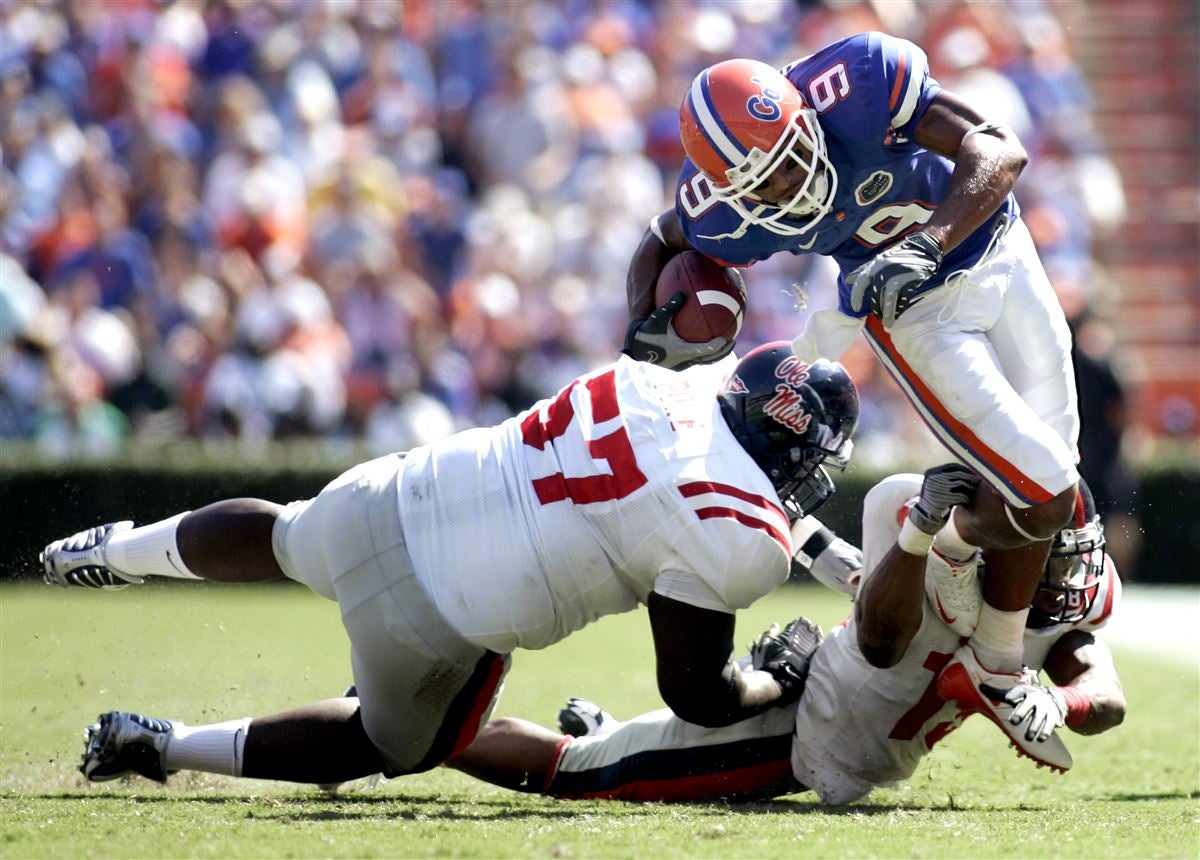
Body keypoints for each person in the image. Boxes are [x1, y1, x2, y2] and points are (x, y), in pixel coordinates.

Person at [42, 342, 861, 786]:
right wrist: (772, 677)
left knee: (284, 534)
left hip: (393, 494)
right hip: (438, 620)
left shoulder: (663, 382)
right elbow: (696, 694)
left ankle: (113, 548)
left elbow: (688, 482)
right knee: (390, 746)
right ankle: (164, 745)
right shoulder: (739, 534)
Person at [622, 31, 1083, 759]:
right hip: (913, 314)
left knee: (1058, 488)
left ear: (805, 114)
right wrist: (647, 327)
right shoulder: (725, 213)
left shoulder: (859, 83)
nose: (788, 188)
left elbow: (998, 150)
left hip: (996, 245)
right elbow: (661, 238)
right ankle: (945, 541)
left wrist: (930, 239)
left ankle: (993, 656)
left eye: (791, 161)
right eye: (765, 185)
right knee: (1051, 495)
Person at [443, 472, 1125, 804]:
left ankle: (610, 729)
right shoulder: (946, 556)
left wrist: (1062, 704)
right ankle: (426, 731)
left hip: (837, 723)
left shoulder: (1047, 610)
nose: (1058, 574)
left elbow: (1105, 690)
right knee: (580, 773)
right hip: (803, 729)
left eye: (1061, 554)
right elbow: (882, 624)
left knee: (618, 750)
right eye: (1041, 554)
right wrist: (911, 527)